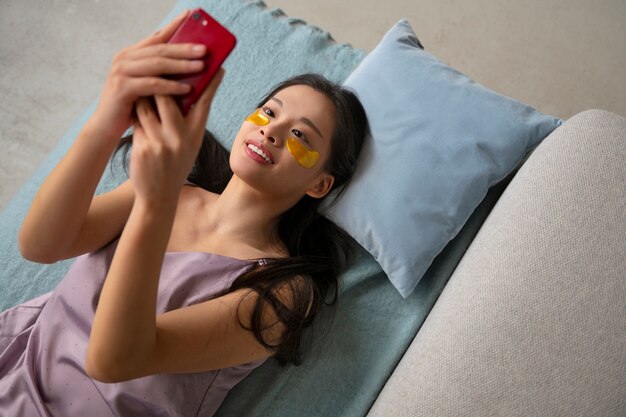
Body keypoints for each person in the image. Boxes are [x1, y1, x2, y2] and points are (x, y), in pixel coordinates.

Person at [1, 9, 368, 416]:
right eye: (269, 112)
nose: (272, 130)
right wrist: (108, 117)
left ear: (319, 185)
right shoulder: (174, 190)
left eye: (300, 135)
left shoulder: (284, 289)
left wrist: (155, 199)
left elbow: (113, 361)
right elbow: (39, 245)